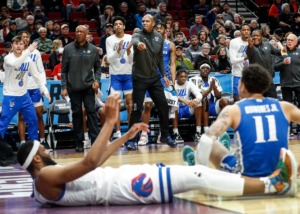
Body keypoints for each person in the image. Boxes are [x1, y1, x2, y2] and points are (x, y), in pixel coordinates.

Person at [16, 94, 298, 207]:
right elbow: (90, 162)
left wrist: (123, 134)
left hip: (122, 181)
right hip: (125, 188)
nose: (45, 149)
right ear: (38, 157)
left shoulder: (43, 181)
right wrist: (111, 122)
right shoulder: (45, 178)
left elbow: (97, 160)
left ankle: (263, 181)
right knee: (198, 176)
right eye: (42, 147)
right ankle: (270, 185)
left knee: (195, 176)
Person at [182, 64, 300, 180]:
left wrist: (201, 172)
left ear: (243, 87)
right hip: (280, 175)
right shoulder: (285, 107)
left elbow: (206, 141)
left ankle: (197, 166)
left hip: (245, 177)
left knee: (212, 143)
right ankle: (231, 152)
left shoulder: (234, 110)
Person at [127, 15, 175, 150]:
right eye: (143, 21)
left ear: (153, 23)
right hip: (139, 78)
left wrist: (164, 75)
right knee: (137, 109)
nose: (144, 23)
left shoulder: (159, 38)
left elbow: (160, 58)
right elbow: (135, 40)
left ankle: (165, 135)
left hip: (154, 78)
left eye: (147, 21)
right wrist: (138, 45)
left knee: (164, 106)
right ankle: (131, 139)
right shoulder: (138, 35)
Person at [2, 36, 50, 144]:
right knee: (4, 123)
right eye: (16, 43)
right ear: (12, 46)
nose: (18, 46)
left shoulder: (28, 59)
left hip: (24, 96)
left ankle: (34, 146)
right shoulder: (8, 58)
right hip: (11, 95)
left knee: (33, 120)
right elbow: (16, 64)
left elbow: (36, 76)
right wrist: (28, 51)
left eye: (21, 44)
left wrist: (45, 90)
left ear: (24, 46)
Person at [61, 25, 101, 153]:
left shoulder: (93, 49)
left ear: (87, 33)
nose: (78, 33)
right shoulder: (68, 49)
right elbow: (63, 71)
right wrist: (64, 86)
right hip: (73, 87)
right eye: (77, 31)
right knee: (77, 114)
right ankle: (78, 143)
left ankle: (95, 141)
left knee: (91, 113)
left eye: (81, 32)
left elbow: (98, 68)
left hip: (88, 87)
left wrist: (97, 80)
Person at [137, 22, 177, 146]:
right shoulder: (148, 43)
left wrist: (173, 82)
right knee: (148, 105)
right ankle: (144, 135)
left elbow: (173, 64)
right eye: (157, 28)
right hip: (150, 77)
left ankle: (163, 134)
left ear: (165, 31)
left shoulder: (170, 45)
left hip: (165, 79)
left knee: (164, 107)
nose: (159, 30)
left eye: (161, 28)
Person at [17, 30, 50, 149]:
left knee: (39, 115)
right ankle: (22, 143)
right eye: (23, 37)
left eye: (27, 37)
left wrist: (43, 86)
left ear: (30, 38)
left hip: (35, 87)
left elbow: (41, 70)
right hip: (22, 89)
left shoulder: (35, 53)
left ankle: (42, 141)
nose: (25, 39)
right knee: (21, 116)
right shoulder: (17, 53)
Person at [106, 16, 133, 140]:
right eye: (115, 24)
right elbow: (109, 60)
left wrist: (128, 52)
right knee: (115, 105)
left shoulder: (130, 38)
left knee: (130, 105)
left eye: (120, 24)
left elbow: (132, 60)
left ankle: (130, 132)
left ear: (124, 26)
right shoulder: (109, 40)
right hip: (115, 76)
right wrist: (118, 50)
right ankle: (117, 133)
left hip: (128, 75)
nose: (118, 26)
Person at [246, 29, 283, 99]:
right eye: (253, 36)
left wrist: (284, 48)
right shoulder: (250, 47)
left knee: (273, 100)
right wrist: (250, 45)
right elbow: (249, 53)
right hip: (256, 80)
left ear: (262, 37)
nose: (255, 37)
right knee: (258, 103)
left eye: (257, 35)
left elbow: (278, 52)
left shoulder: (268, 45)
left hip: (269, 79)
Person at [173, 69, 202, 143]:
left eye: (185, 77)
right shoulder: (173, 84)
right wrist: (183, 100)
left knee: (199, 103)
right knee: (174, 105)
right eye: (181, 76)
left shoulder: (189, 83)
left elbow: (199, 94)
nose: (183, 78)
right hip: (176, 109)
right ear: (177, 77)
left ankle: (198, 132)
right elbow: (170, 97)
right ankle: (176, 133)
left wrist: (196, 100)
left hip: (187, 108)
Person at [275, 33, 300, 106]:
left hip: (298, 83)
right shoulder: (281, 52)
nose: (289, 42)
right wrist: (283, 63)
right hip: (286, 84)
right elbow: (275, 67)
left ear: (296, 42)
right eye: (288, 40)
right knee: (287, 106)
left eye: (291, 40)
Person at [229, 23, 251, 102]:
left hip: (250, 75)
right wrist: (245, 58)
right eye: (244, 30)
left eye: (248, 30)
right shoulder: (234, 42)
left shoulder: (253, 42)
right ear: (240, 31)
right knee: (237, 98)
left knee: (250, 99)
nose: (246, 32)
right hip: (238, 74)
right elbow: (232, 60)